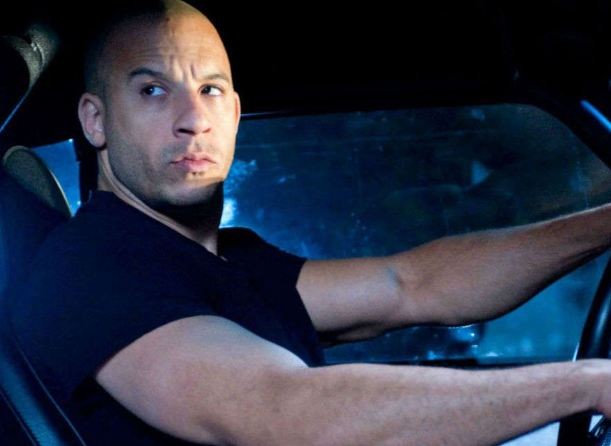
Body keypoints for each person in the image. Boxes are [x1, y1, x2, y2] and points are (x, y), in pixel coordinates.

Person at [8, 1, 611, 444]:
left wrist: (604, 223)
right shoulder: (87, 271)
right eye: (152, 91)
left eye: (211, 89)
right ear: (96, 121)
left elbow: (414, 284)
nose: (194, 118)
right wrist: (587, 384)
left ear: (235, 114)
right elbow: (286, 411)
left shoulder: (229, 260)